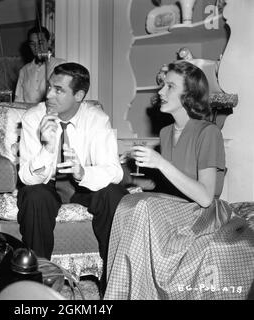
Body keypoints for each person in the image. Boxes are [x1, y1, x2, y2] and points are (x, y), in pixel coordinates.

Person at [104, 60, 254, 300]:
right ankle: (125, 293)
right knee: (127, 204)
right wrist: (125, 176)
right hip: (179, 210)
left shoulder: (209, 132)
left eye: (170, 86)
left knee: (142, 206)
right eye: (162, 85)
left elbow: (205, 197)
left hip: (204, 215)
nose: (161, 92)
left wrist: (160, 163)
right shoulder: (166, 132)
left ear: (189, 94)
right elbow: (169, 188)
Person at [17, 62, 128, 288]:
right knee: (35, 196)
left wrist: (83, 172)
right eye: (49, 87)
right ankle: (39, 281)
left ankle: (115, 282)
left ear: (78, 95)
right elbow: (27, 178)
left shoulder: (97, 119)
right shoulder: (33, 117)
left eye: (59, 90)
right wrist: (47, 148)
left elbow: (114, 172)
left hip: (84, 185)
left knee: (114, 194)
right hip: (47, 184)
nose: (48, 94)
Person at [14, 26, 65, 103]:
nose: (36, 47)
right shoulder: (24, 71)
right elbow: (18, 101)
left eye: (40, 43)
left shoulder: (60, 65)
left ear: (49, 42)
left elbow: (65, 97)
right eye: (32, 44)